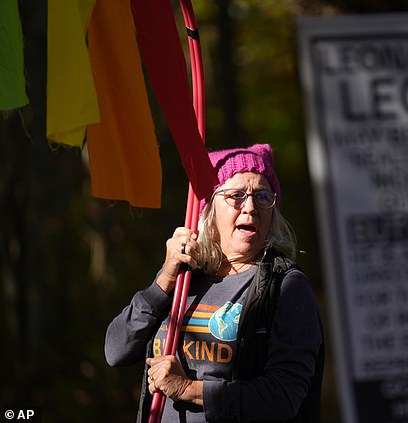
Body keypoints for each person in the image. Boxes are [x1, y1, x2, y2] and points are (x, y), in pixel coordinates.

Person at [105, 144, 324, 422]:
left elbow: (282, 399)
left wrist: (188, 389)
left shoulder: (285, 287)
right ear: (209, 207)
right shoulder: (183, 277)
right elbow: (116, 351)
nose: (250, 207)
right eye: (236, 196)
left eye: (262, 196)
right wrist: (164, 280)